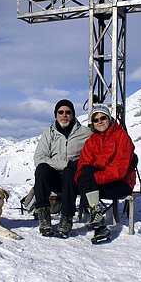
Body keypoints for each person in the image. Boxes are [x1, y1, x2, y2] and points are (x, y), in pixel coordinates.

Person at [75, 103, 136, 243]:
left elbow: (119, 169)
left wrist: (93, 179)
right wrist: (82, 178)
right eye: (95, 120)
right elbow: (84, 163)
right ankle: (99, 224)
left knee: (87, 184)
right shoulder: (92, 141)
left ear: (109, 118)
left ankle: (99, 223)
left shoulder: (121, 137)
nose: (100, 122)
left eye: (103, 118)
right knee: (85, 174)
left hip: (121, 183)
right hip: (99, 182)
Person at [33, 99, 91, 238]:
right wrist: (65, 164)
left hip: (73, 178)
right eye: (61, 112)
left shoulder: (85, 132)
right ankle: (44, 216)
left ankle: (66, 218)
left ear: (73, 114)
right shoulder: (49, 133)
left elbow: (94, 151)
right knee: (41, 169)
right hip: (55, 177)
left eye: (68, 112)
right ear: (56, 114)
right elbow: (39, 157)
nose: (64, 115)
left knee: (70, 172)